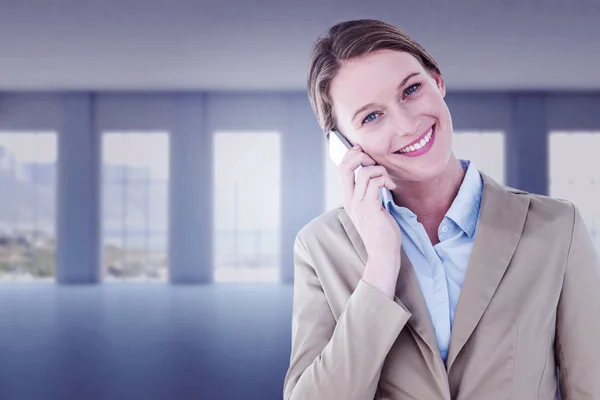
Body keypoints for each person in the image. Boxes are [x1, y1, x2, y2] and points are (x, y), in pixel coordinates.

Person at [283, 19, 600, 400]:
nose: (406, 124)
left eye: (411, 90)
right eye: (371, 116)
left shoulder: (556, 229)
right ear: (343, 145)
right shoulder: (320, 247)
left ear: (438, 81)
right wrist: (381, 265)